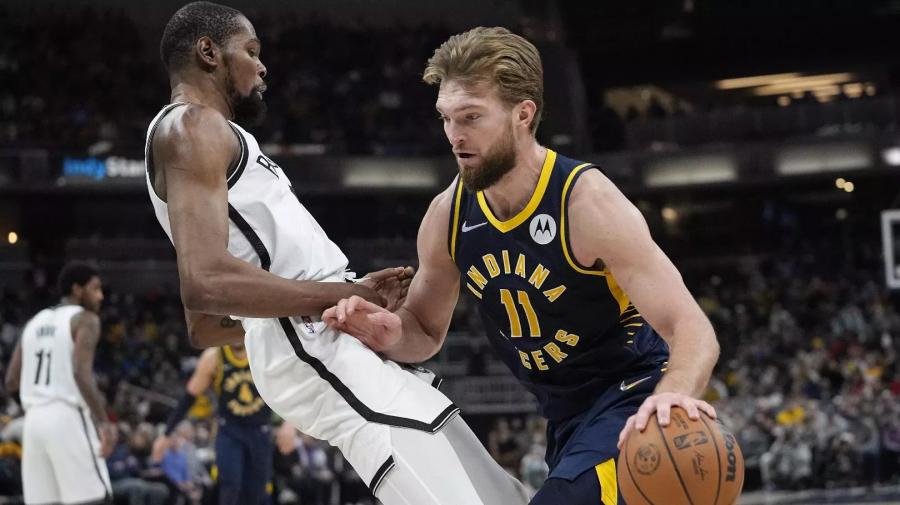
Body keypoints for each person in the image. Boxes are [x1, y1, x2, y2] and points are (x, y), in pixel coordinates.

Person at [147, 3, 528, 504]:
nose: (261, 67)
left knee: (498, 489)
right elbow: (205, 284)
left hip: (317, 338)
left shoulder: (208, 137)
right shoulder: (191, 126)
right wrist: (341, 295)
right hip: (314, 347)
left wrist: (344, 299)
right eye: (251, 51)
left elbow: (205, 326)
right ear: (208, 52)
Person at [323, 26, 721, 504]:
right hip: (565, 419)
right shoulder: (448, 215)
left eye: (471, 117)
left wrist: (673, 393)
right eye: (446, 118)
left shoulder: (586, 204)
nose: (455, 135)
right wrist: (389, 333)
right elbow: (424, 330)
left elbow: (692, 327)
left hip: (632, 397)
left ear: (523, 114)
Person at [4, 261, 113, 504]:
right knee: (95, 498)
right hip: (67, 417)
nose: (101, 296)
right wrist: (105, 423)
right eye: (95, 288)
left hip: (33, 422)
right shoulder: (85, 319)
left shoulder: (34, 321)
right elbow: (81, 374)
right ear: (77, 289)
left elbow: (11, 380)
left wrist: (37, 406)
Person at [154, 343, 273, 505]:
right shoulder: (214, 357)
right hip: (230, 430)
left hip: (260, 430)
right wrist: (166, 434)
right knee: (230, 484)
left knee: (257, 491)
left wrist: (289, 425)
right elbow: (189, 397)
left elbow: (290, 384)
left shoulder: (264, 349)